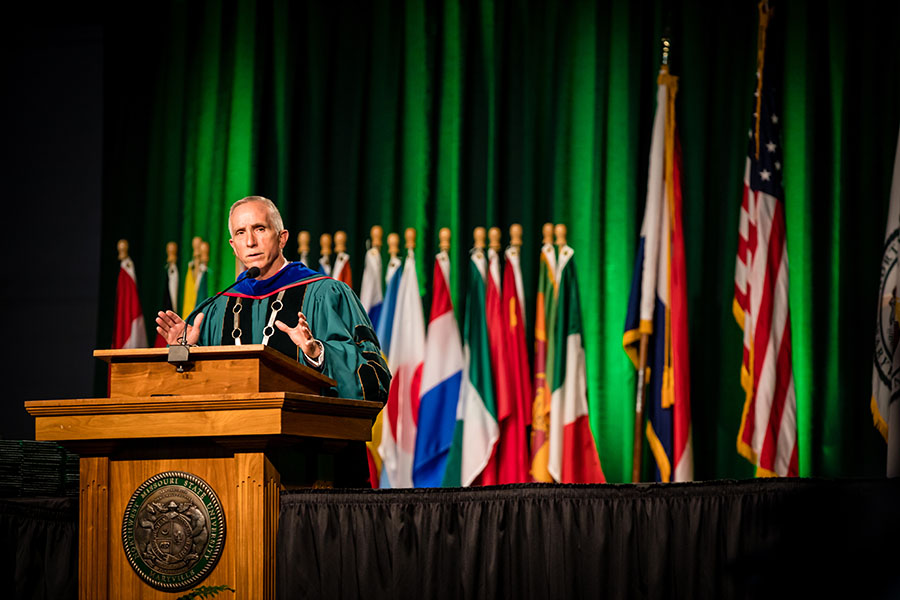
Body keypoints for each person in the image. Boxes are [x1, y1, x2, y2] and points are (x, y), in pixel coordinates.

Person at [155, 196, 390, 403]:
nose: (250, 242)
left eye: (259, 229)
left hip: (308, 445)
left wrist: (317, 353)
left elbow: (375, 380)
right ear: (233, 247)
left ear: (282, 238)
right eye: (240, 233)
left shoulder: (327, 294)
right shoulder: (214, 310)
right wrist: (187, 353)